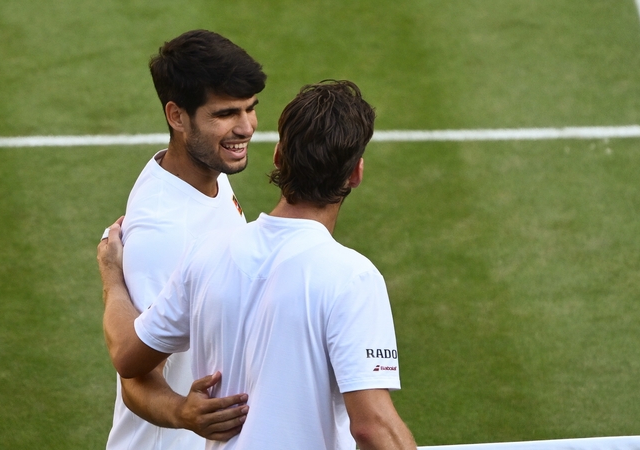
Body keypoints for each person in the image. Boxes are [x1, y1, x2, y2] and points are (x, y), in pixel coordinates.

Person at [99, 80, 416, 449]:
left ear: (279, 156)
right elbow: (372, 427)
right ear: (355, 174)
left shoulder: (207, 253)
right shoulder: (352, 278)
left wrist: (111, 276)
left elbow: (128, 357)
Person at [103, 29, 266, 450]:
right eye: (226, 113)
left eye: (251, 109)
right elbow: (135, 372)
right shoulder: (166, 231)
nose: (246, 127)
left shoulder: (204, 172)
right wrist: (182, 414)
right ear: (177, 117)